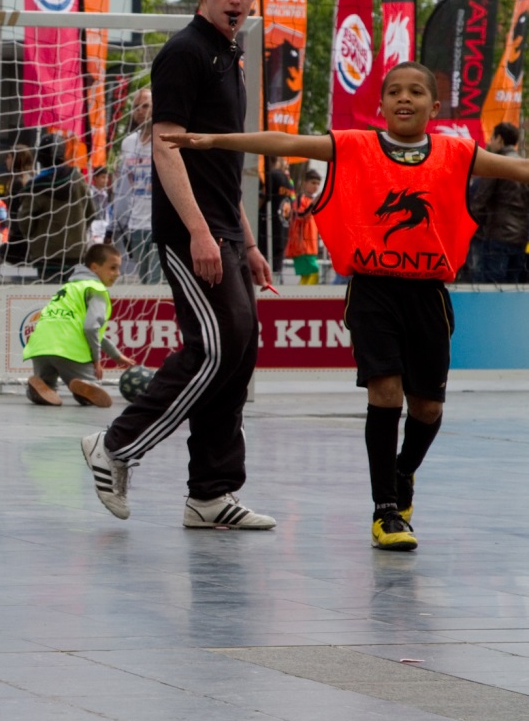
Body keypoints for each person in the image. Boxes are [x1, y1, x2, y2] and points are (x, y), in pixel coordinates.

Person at [161, 60, 529, 551]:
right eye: (394, 91)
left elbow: (519, 168)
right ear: (381, 104)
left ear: (434, 106)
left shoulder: (456, 152)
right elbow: (285, 141)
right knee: (386, 392)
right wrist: (215, 141)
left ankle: (403, 473)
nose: (404, 98)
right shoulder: (356, 144)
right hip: (374, 290)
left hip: (428, 295)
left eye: (415, 91)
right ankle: (385, 511)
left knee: (427, 408)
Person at [80, 0, 277, 530]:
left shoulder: (229, 54)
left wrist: (248, 241)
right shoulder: (185, 52)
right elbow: (165, 147)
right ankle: (115, 446)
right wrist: (199, 232)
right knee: (215, 347)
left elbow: (222, 167)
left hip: (225, 229)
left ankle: (211, 495)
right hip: (193, 231)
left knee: (239, 352)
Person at [23, 242, 136, 408]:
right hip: (69, 349)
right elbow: (91, 327)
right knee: (91, 392)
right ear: (95, 267)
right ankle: (84, 387)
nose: (118, 273)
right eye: (113, 268)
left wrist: (115, 355)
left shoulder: (69, 287)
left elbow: (78, 326)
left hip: (39, 347)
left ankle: (41, 385)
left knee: (48, 389)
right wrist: (96, 360)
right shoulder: (96, 289)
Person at [10, 131, 98, 283]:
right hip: (75, 252)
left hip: (46, 253)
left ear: (40, 158)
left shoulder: (35, 186)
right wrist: (77, 231)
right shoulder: (76, 178)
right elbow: (91, 212)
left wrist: (34, 237)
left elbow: (24, 220)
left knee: (51, 295)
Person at [468, 122, 528, 283]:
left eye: (492, 138)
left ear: (499, 139)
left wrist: (466, 229)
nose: (489, 142)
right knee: (512, 287)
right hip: (520, 238)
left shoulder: (496, 164)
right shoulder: (524, 166)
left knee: (490, 286)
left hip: (497, 237)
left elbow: (480, 201)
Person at [111, 87, 160, 284]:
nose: (140, 111)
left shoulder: (164, 140)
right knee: (143, 281)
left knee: (157, 283)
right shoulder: (128, 143)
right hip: (135, 225)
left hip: (159, 224)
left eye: (146, 106)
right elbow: (125, 185)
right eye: (136, 107)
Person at [259, 157, 295, 284]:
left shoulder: (273, 175)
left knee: (266, 264)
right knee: (277, 267)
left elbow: (263, 197)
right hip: (283, 227)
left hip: (269, 228)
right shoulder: (289, 181)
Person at [285, 168, 322, 284]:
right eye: (313, 183)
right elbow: (300, 215)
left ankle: (301, 295)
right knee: (313, 273)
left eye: (318, 184)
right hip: (302, 245)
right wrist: (313, 204)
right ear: (305, 182)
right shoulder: (300, 198)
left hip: (311, 245)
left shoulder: (310, 200)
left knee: (307, 276)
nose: (316, 186)